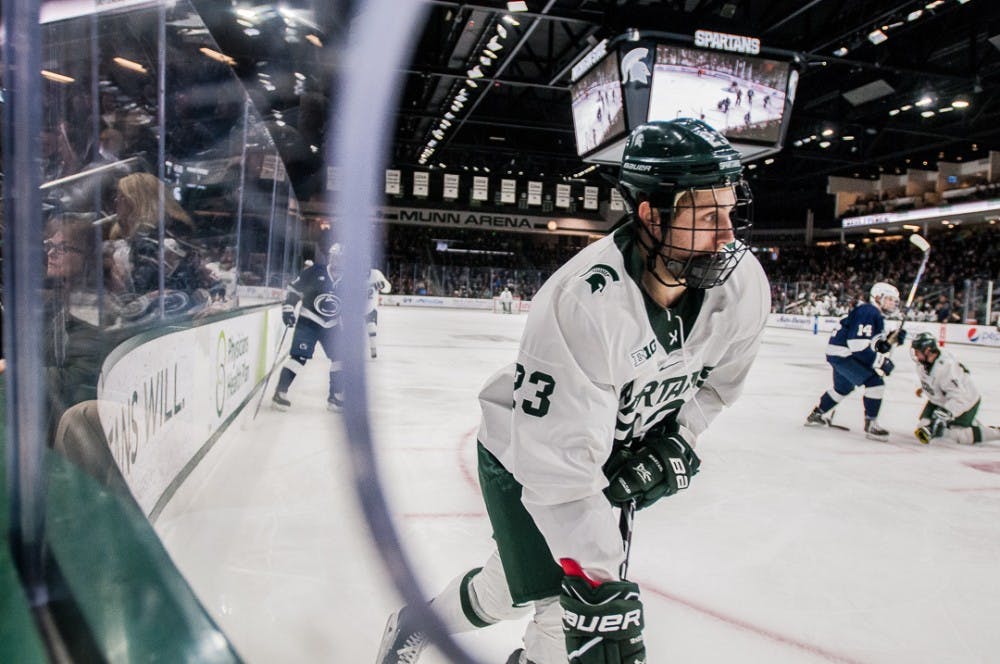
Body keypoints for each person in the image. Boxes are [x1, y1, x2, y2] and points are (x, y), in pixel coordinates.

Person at [376, 118, 770, 664]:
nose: (727, 235)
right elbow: (559, 475)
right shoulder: (584, 303)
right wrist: (601, 591)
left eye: (729, 212)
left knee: (510, 593)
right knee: (563, 610)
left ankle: (414, 622)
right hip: (526, 455)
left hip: (604, 452)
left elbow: (718, 387)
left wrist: (680, 438)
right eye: (707, 216)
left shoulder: (744, 284)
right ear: (650, 213)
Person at [804, 282, 907, 440]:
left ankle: (816, 415)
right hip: (844, 355)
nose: (893, 303)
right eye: (890, 299)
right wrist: (880, 362)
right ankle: (871, 424)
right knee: (875, 383)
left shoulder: (870, 313)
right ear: (878, 298)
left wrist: (889, 341)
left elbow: (872, 345)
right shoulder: (869, 311)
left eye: (895, 300)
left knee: (842, 388)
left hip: (838, 354)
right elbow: (857, 346)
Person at [272, 243, 345, 412]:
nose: (337, 261)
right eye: (334, 257)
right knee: (299, 357)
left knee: (340, 359)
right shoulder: (315, 271)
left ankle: (334, 397)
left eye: (341, 258)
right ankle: (280, 392)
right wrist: (288, 309)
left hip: (332, 325)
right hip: (309, 321)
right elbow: (294, 290)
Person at [909, 332, 999, 445]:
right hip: (941, 400)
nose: (916, 355)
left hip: (966, 401)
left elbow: (959, 397)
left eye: (917, 351)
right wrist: (923, 388)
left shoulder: (947, 368)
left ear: (927, 350)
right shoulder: (924, 363)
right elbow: (933, 380)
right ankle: (970, 425)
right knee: (923, 426)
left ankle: (993, 432)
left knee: (959, 436)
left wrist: (946, 413)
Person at [366, 266, 392, 359]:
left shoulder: (376, 274)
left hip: (371, 308)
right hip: (356, 309)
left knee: (371, 328)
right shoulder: (354, 275)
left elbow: (388, 288)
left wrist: (383, 285)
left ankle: (373, 348)